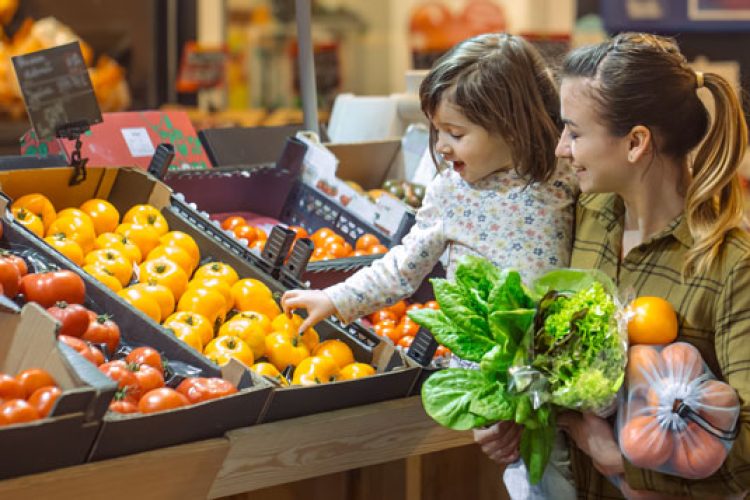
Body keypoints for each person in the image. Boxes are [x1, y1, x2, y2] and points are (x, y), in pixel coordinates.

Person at [281, 33, 578, 499]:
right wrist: (335, 298)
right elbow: (403, 265)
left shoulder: (560, 177)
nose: (440, 146)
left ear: (515, 127)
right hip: (495, 375)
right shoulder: (451, 192)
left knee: (563, 473)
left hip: (560, 369)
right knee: (536, 480)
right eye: (436, 130)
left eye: (456, 134)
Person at [476, 32, 750, 499]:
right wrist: (523, 414)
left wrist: (623, 459)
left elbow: (746, 441)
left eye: (576, 132)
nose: (562, 148)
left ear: (636, 142)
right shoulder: (589, 214)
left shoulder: (730, 265)